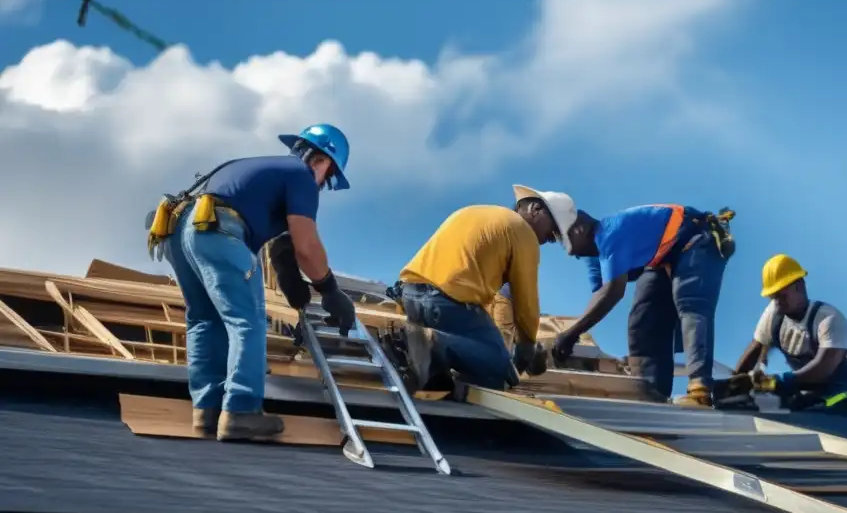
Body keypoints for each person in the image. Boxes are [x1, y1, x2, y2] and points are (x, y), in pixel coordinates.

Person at [148, 124, 356, 441]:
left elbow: (284, 255)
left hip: (183, 230)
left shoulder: (267, 172)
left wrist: (301, 303)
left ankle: (208, 412)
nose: (324, 184)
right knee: (247, 321)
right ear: (321, 161)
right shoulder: (301, 176)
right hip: (219, 230)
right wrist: (330, 290)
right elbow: (307, 246)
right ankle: (242, 411)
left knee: (205, 320)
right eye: (329, 176)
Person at [396, 185, 578, 399]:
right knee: (498, 365)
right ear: (535, 209)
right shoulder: (522, 232)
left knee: (474, 364)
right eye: (553, 229)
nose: (550, 239)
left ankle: (436, 379)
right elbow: (525, 300)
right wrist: (527, 344)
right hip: (445, 303)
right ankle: (431, 344)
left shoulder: (476, 213)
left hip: (410, 296)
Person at [553, 204, 735, 407]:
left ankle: (699, 389)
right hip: (663, 259)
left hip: (696, 238)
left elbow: (612, 291)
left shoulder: (610, 234)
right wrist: (571, 333)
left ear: (579, 229)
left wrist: (570, 334)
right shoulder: (594, 253)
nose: (570, 254)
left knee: (690, 304)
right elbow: (600, 294)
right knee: (643, 320)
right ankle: (651, 393)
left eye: (565, 241)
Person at [729, 254, 847, 417]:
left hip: (837, 401)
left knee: (827, 412)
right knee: (795, 410)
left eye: (782, 295)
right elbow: (757, 348)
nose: (778, 302)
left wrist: (780, 381)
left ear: (800, 286)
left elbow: (824, 368)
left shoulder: (829, 319)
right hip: (807, 396)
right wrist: (733, 385)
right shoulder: (774, 315)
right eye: (773, 297)